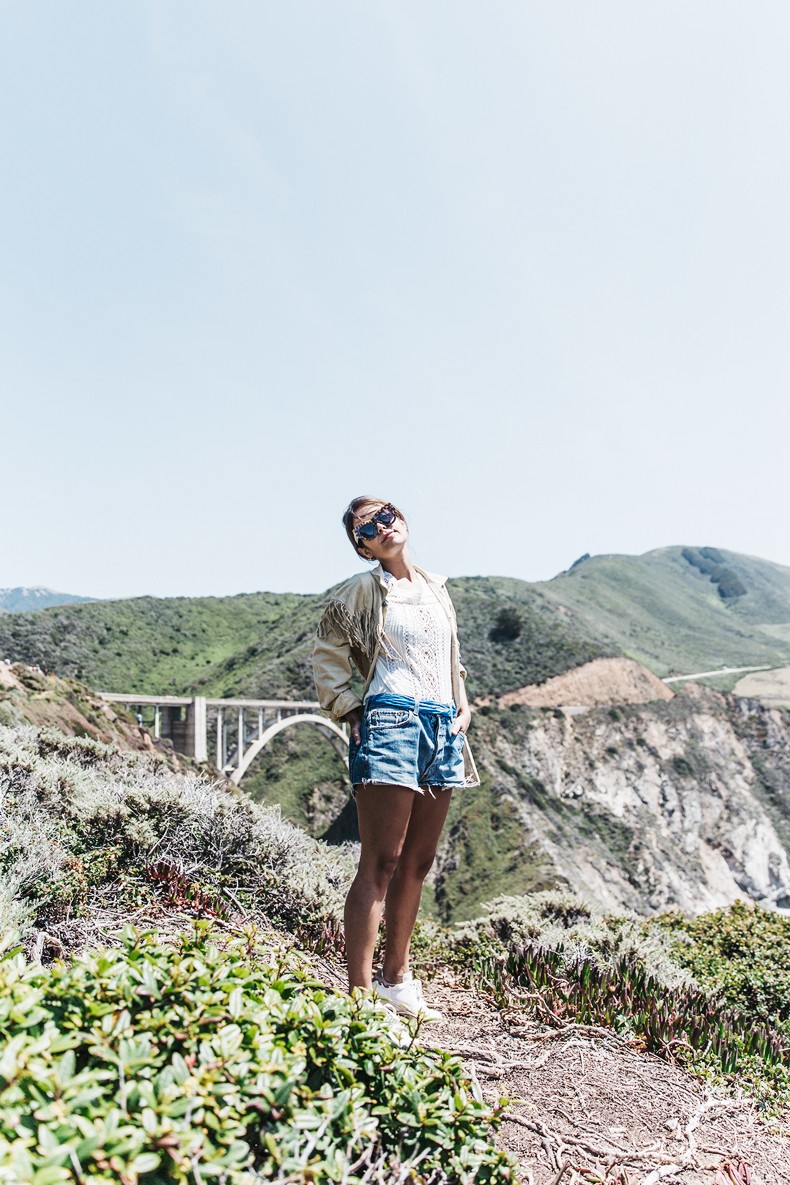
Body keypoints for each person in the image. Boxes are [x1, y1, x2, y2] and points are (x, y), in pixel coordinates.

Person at [313, 497, 479, 1021]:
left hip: (441, 725)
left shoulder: (436, 588)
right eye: (368, 527)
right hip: (390, 721)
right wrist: (348, 706)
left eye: (388, 515)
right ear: (361, 545)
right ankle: (360, 1000)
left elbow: (448, 656)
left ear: (403, 520)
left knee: (419, 861)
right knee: (380, 862)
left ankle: (397, 980)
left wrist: (463, 701)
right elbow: (327, 650)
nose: (383, 527)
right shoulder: (365, 589)